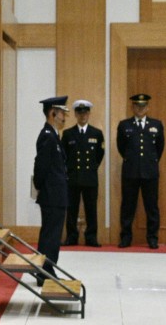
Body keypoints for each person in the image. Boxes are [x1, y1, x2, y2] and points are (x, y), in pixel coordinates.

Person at [117, 93, 165, 249]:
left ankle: (152, 238)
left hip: (150, 173)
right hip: (130, 172)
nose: (140, 108)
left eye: (143, 105)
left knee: (151, 207)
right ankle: (125, 237)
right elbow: (121, 147)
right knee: (128, 206)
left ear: (148, 107)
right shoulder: (124, 125)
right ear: (132, 107)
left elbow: (159, 148)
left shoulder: (156, 125)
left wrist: (148, 162)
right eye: (137, 105)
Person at [33, 95, 69, 286]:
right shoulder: (47, 136)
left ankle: (46, 270)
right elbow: (41, 168)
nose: (65, 117)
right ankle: (45, 272)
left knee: (52, 234)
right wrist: (42, 188)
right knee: (51, 235)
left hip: (55, 195)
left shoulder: (53, 135)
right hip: (52, 196)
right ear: (52, 113)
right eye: (62, 113)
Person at [61, 99, 104, 247]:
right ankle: (71, 237)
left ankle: (91, 237)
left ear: (89, 113)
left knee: (91, 209)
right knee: (71, 209)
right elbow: (64, 156)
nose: (83, 115)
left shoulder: (97, 134)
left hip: (90, 177)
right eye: (79, 112)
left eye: (85, 112)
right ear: (75, 114)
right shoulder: (67, 134)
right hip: (72, 178)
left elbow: (99, 155)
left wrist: (91, 168)